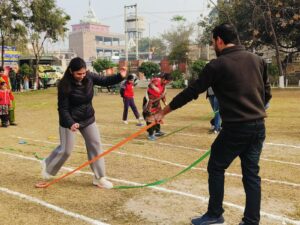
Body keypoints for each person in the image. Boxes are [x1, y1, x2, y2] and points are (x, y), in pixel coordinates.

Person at [154, 23, 272, 225]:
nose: (213, 45)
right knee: (251, 174)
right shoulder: (258, 60)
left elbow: (192, 92)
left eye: (212, 42)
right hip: (258, 126)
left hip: (236, 128)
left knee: (216, 166)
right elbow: (267, 93)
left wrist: (163, 111)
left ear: (219, 40)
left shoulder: (217, 65)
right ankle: (251, 221)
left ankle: (215, 214)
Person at [36, 57, 127, 189]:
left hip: (88, 118)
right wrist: (70, 123)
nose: (82, 76)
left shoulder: (89, 77)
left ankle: (99, 178)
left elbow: (105, 80)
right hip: (70, 120)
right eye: (79, 74)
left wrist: (120, 76)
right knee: (66, 150)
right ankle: (48, 165)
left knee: (95, 145)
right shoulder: (64, 85)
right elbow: (63, 108)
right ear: (71, 71)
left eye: (84, 73)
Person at [143, 73, 172, 141]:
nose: (167, 83)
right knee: (149, 117)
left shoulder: (164, 86)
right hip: (149, 102)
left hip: (156, 102)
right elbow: (150, 85)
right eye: (167, 82)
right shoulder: (157, 80)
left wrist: (165, 103)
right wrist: (155, 88)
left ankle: (157, 131)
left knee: (158, 115)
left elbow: (163, 95)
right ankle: (150, 134)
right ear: (164, 79)